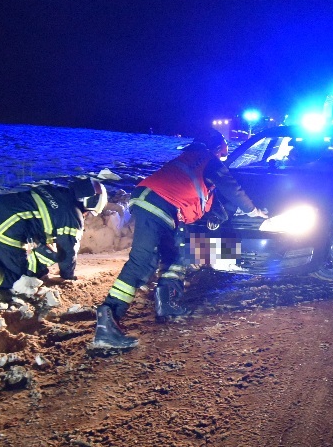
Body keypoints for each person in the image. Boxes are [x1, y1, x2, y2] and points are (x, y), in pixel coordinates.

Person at [92, 128, 266, 350]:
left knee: (179, 252)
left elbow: (207, 202)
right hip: (157, 206)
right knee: (143, 262)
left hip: (156, 205)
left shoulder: (189, 160)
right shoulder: (207, 159)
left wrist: (217, 219)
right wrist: (253, 211)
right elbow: (232, 187)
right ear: (216, 149)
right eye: (221, 155)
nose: (221, 160)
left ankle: (166, 301)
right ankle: (108, 320)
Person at [0, 178, 107, 301]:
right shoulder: (72, 216)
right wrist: (67, 277)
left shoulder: (55, 191)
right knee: (16, 279)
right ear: (89, 203)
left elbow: (37, 217)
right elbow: (68, 253)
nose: (86, 216)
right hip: (5, 229)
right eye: (89, 212)